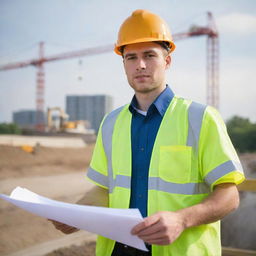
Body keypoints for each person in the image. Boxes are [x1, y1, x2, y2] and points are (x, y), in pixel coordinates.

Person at [50, 9, 245, 256]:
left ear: (167, 61)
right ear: (124, 65)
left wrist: (182, 219)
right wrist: (77, 215)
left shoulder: (201, 118)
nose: (140, 65)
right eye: (131, 57)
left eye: (149, 55)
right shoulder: (110, 123)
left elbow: (229, 196)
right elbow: (103, 189)